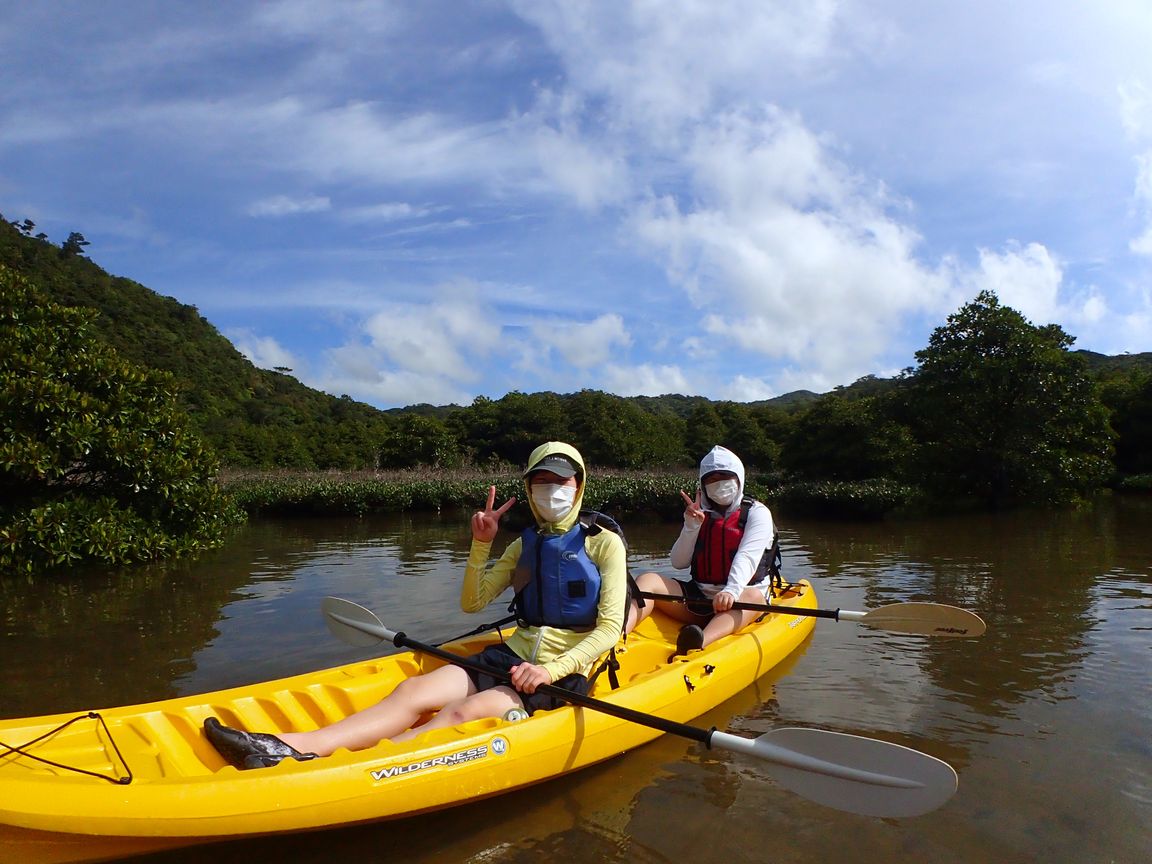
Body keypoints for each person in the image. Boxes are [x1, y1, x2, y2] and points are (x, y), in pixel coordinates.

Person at [203, 442, 628, 769]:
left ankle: (333, 770)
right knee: (412, 691)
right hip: (512, 655)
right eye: (542, 481)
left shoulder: (603, 543)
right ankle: (290, 747)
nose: (553, 489)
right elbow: (472, 602)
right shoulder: (524, 545)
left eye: (563, 480)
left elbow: (610, 629)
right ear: (530, 488)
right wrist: (481, 544)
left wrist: (549, 670)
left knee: (463, 710)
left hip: (564, 674)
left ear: (579, 485)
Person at [626, 445, 778, 656]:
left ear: (738, 478)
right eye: (711, 480)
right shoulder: (699, 514)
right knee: (648, 579)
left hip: (740, 596)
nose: (718, 484)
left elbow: (747, 556)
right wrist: (691, 526)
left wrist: (731, 590)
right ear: (703, 485)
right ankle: (618, 633)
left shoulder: (757, 513)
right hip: (700, 597)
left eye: (724, 476)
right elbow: (678, 562)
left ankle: (698, 643)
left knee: (753, 596)